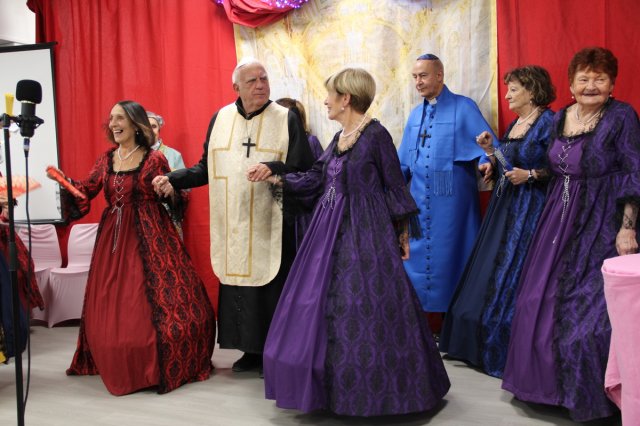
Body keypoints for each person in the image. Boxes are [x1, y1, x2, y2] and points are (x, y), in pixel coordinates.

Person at [253, 68, 450, 415]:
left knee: (364, 303)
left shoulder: (375, 135)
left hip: (366, 231)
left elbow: (395, 184)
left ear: (346, 98)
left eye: (330, 94)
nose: (325, 101)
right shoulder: (339, 137)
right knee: (325, 302)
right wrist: (277, 176)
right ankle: (327, 388)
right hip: (327, 228)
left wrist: (402, 231)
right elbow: (317, 178)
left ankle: (378, 391)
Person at [502, 47, 640, 422]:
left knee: (589, 315)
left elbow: (634, 171)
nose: (591, 86)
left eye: (600, 79)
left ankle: (590, 395)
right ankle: (542, 388)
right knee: (534, 300)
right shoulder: (561, 116)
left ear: (612, 84)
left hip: (602, 219)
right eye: (584, 79)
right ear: (570, 84)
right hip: (557, 216)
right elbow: (552, 167)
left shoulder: (622, 117)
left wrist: (627, 229)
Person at [152, 59, 314, 376]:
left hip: (271, 220)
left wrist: (273, 168)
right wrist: (173, 178)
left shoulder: (285, 119)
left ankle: (272, 353)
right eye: (252, 81)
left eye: (264, 78)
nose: (260, 85)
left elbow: (305, 169)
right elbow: (206, 168)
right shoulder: (221, 119)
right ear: (236, 87)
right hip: (233, 221)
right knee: (239, 288)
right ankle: (249, 351)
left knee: (271, 290)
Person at [49, 100, 215, 395]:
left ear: (136, 124)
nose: (113, 124)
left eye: (120, 118)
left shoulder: (154, 159)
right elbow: (86, 190)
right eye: (111, 118)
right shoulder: (106, 159)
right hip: (112, 238)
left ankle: (148, 360)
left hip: (151, 234)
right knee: (111, 296)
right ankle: (113, 351)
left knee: (146, 296)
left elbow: (176, 197)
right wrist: (66, 183)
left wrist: (169, 190)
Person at [439, 65, 556, 378]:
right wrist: (491, 153)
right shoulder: (517, 123)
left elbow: (559, 167)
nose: (507, 96)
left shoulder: (549, 122)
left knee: (516, 266)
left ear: (532, 90)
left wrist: (531, 175)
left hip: (532, 208)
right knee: (495, 264)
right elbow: (509, 164)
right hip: (506, 205)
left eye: (514, 89)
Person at [398, 53, 496, 336]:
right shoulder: (414, 115)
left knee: (454, 260)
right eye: (415, 77)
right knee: (415, 261)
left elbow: (487, 147)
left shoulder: (464, 107)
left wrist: (486, 161)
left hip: (453, 206)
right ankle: (421, 331)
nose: (418, 82)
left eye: (423, 75)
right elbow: (403, 163)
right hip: (418, 202)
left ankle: (456, 333)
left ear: (439, 76)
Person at [275, 97, 323, 248]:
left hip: (303, 213)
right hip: (279, 211)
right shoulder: (275, 145)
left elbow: (319, 177)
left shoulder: (310, 142)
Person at [146, 111, 188, 239]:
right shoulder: (132, 156)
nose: (150, 130)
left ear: (159, 130)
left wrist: (171, 191)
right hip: (142, 217)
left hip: (167, 217)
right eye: (146, 126)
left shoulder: (173, 155)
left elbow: (185, 188)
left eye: (153, 126)